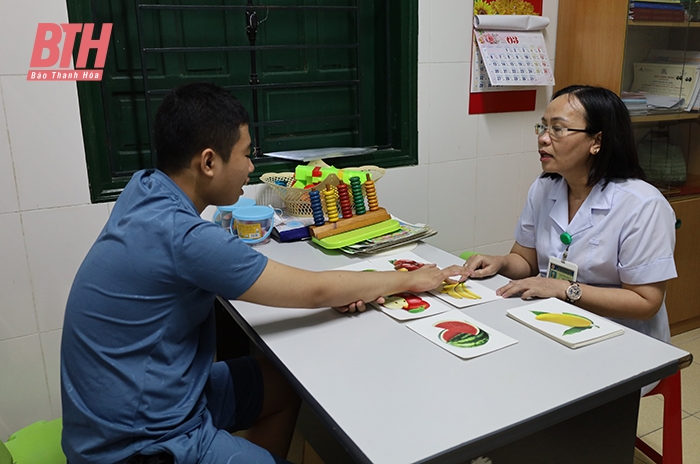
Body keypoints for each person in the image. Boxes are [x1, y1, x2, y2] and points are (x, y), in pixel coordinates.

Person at [60, 82, 469, 464]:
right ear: (208, 162)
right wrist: (411, 279)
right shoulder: (183, 236)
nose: (251, 167)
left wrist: (342, 292)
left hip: (153, 397)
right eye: (245, 154)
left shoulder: (145, 188)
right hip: (137, 442)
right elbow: (315, 290)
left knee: (283, 383)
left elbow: (312, 290)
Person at [464, 85, 677, 345]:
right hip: (551, 321)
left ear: (597, 141)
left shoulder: (643, 204)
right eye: (543, 127)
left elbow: (646, 302)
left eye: (558, 129)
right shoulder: (545, 187)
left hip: (623, 339)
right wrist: (500, 263)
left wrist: (565, 290)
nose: (543, 138)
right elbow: (525, 259)